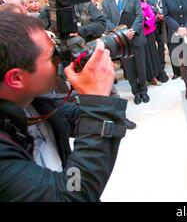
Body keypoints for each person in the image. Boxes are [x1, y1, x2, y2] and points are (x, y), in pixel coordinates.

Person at [0, 11, 129, 201]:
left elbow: (82, 120)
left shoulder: (31, 101)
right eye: (53, 56)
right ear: (16, 78)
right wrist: (98, 101)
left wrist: (98, 88)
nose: (61, 59)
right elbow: (73, 192)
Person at [102, 0, 149, 105]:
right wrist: (121, 33)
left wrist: (132, 31)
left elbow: (140, 16)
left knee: (141, 66)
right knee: (129, 69)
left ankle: (144, 91)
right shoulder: (106, 2)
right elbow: (106, 20)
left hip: (135, 37)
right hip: (120, 41)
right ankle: (136, 92)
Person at [147, 0, 171, 81]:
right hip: (156, 26)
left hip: (167, 23)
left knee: (169, 43)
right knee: (160, 45)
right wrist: (157, 17)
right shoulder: (150, 0)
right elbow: (150, 12)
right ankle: (161, 64)